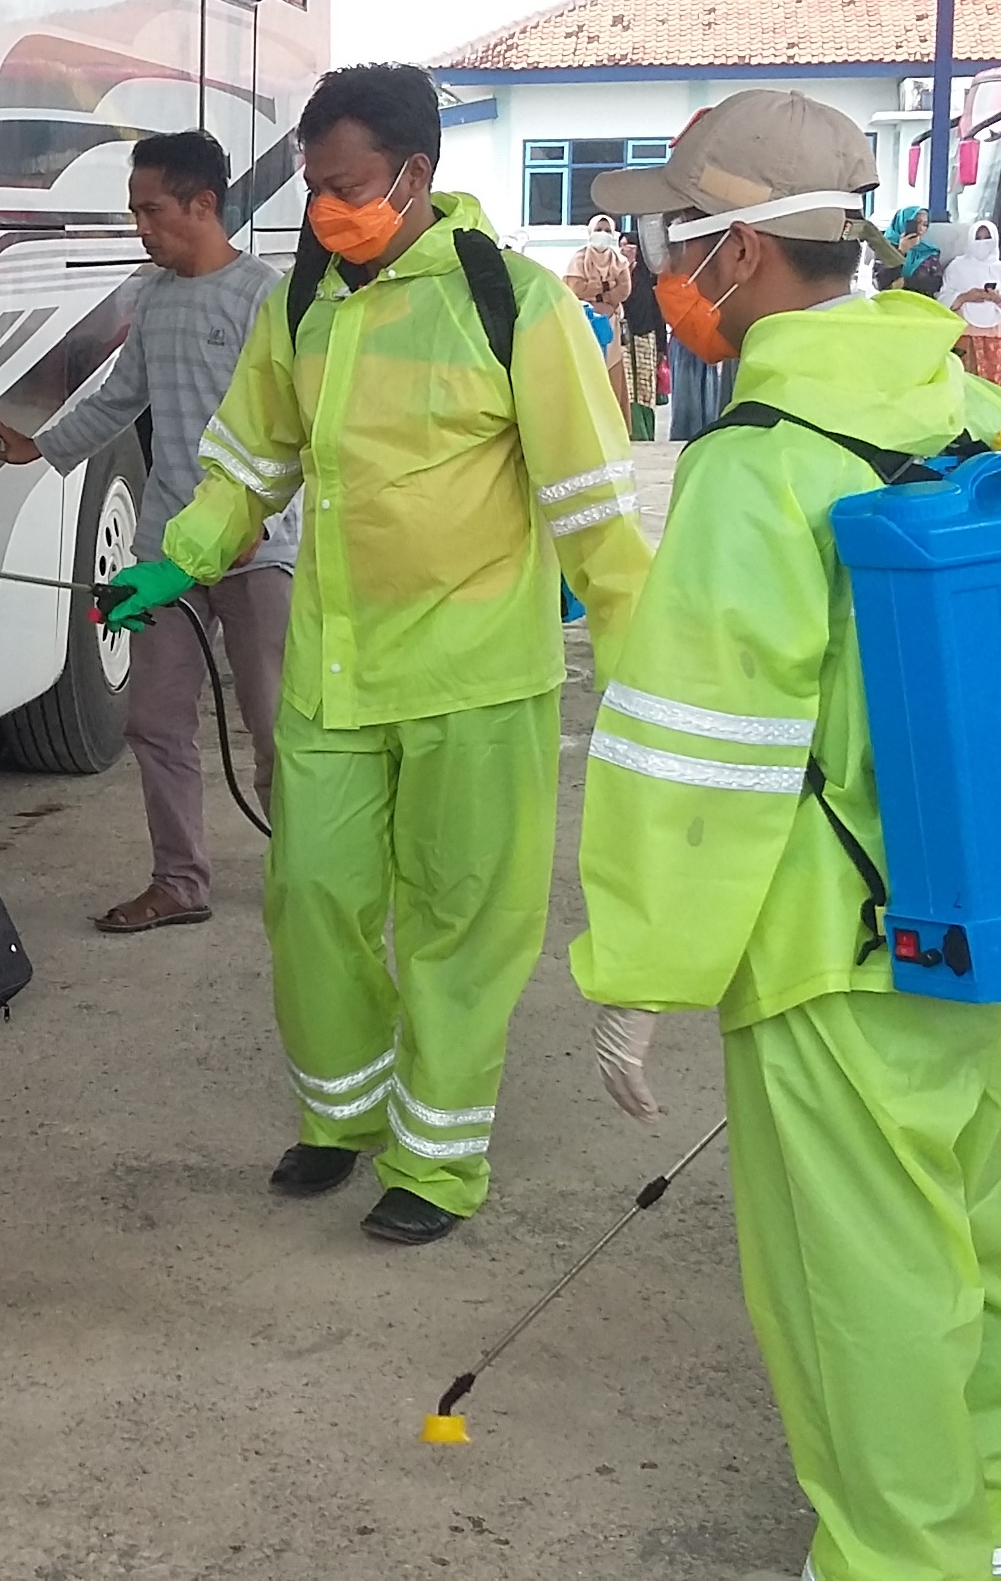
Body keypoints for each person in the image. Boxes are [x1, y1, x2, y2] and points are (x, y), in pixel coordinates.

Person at [575, 89, 1001, 1581]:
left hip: (838, 961)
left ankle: (907, 1566)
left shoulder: (759, 463)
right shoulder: (982, 405)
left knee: (867, 1300)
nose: (657, 260)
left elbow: (698, 756)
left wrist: (637, 970)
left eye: (670, 233)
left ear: (735, 254)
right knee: (986, 1258)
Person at [99, 63, 650, 1245]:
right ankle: (340, 1117)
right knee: (311, 902)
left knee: (460, 918)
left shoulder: (515, 305)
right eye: (311, 188)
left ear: (416, 174)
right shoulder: (301, 303)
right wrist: (184, 556)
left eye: (346, 186)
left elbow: (593, 510)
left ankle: (437, 1162)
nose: (324, 210)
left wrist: (642, 660)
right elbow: (250, 458)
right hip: (336, 675)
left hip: (476, 676)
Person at [0, 131, 293, 932]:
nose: (140, 227)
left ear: (203, 204)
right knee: (154, 721)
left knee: (278, 731)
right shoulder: (154, 296)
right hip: (164, 551)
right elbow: (120, 396)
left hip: (263, 554)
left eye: (152, 210)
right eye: (134, 211)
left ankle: (308, 877)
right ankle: (179, 881)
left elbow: (304, 426)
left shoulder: (267, 298)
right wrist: (39, 446)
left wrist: (261, 515)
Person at [567, 214, 643, 432]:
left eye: (607, 230)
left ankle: (613, 429)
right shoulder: (579, 259)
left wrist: (597, 292)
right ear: (590, 232)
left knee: (612, 373)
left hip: (612, 326)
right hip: (584, 325)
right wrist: (606, 289)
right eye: (598, 229)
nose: (602, 234)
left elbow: (623, 290)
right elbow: (576, 289)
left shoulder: (619, 261)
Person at [940, 218, 1001, 389]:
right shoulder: (957, 267)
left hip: (997, 336)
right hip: (966, 334)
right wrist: (965, 297)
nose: (983, 243)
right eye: (979, 238)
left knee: (996, 384)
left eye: (987, 238)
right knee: (967, 382)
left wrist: (998, 299)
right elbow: (943, 298)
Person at [620, 229, 669, 440]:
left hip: (646, 334)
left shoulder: (648, 276)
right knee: (627, 386)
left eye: (630, 246)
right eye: (622, 245)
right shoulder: (615, 272)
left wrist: (662, 348)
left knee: (645, 387)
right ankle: (632, 432)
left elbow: (657, 311)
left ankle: (646, 433)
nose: (625, 250)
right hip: (622, 336)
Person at [881, 205, 944, 296]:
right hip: (890, 301)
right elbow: (882, 283)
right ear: (903, 223)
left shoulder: (929, 251)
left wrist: (906, 283)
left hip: (920, 303)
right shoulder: (885, 247)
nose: (921, 228)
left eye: (925, 225)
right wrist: (901, 252)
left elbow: (936, 283)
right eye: (917, 222)